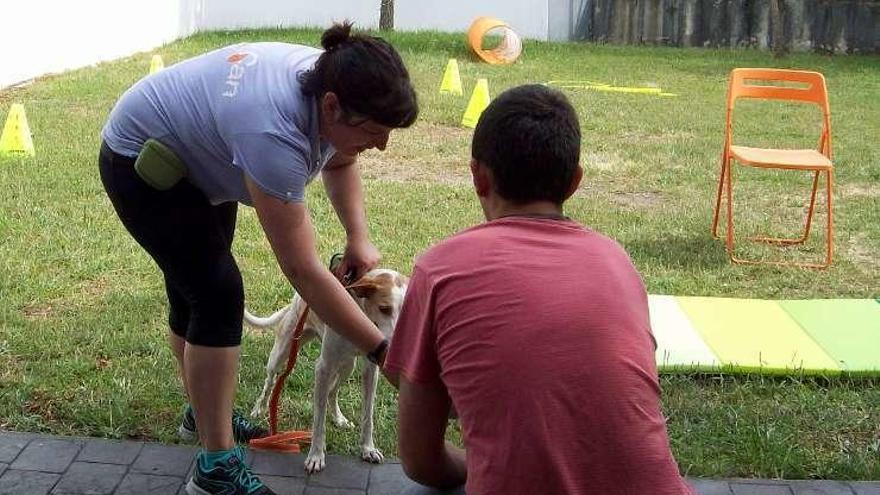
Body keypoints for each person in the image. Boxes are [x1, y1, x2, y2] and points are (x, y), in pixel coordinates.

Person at [99, 22, 417, 495]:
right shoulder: (272, 131)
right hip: (141, 163)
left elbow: (341, 157)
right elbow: (304, 271)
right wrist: (381, 351)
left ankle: (203, 415)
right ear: (332, 107)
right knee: (217, 294)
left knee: (198, 291)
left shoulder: (332, 81)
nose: (382, 145)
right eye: (375, 130)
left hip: (200, 156)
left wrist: (358, 236)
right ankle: (215, 468)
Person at [384, 85, 694, 495]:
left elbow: (421, 460)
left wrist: (481, 461)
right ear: (575, 182)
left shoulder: (439, 271)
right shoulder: (618, 261)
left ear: (479, 176)